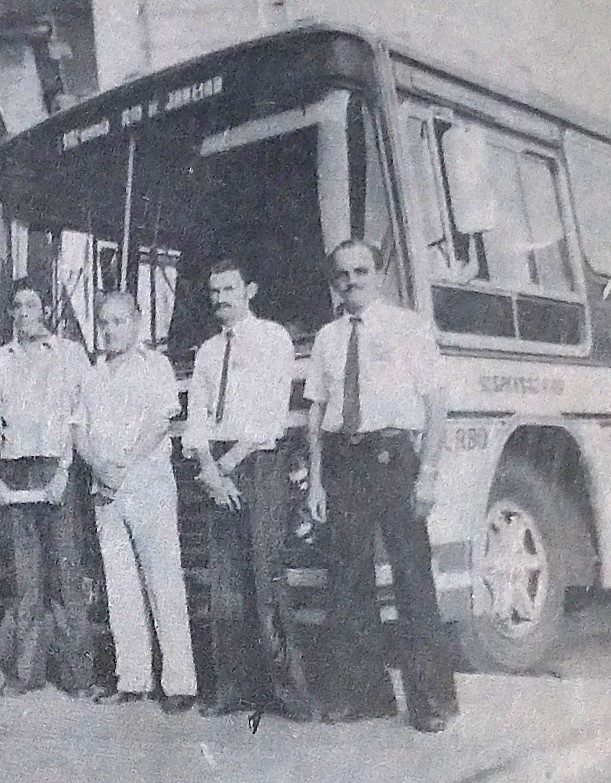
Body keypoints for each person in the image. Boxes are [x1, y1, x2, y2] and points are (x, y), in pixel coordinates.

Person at [305, 238, 458, 733]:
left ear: (378, 275)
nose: (352, 281)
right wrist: (316, 483)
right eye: (343, 274)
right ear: (334, 283)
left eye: (361, 270)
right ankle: (366, 697)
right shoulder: (328, 338)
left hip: (394, 460)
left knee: (412, 580)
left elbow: (437, 405)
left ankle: (431, 702)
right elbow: (316, 412)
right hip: (344, 463)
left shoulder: (409, 328)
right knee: (349, 583)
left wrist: (428, 473)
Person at [184, 258, 314, 721]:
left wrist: (228, 466)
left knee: (265, 579)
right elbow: (196, 416)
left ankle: (287, 692)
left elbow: (270, 412)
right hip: (217, 468)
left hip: (257, 464)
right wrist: (210, 471)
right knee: (224, 585)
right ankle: (230, 689)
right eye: (214, 292)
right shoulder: (205, 351)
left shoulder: (273, 339)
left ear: (249, 290)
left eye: (230, 290)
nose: (221, 299)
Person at [73, 291, 197, 714]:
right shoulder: (91, 376)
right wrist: (99, 467)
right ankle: (134, 678)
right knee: (120, 583)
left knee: (163, 580)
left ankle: (179, 683)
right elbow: (79, 433)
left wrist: (123, 465)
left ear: (137, 321)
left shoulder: (155, 366)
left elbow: (161, 421)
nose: (111, 330)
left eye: (120, 321)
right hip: (105, 491)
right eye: (104, 322)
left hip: (147, 485)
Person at [0, 280, 96, 698]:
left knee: (66, 574)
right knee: (25, 577)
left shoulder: (70, 355)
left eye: (32, 305)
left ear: (47, 309)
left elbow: (79, 416)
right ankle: (25, 673)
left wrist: (64, 472)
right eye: (17, 306)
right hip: (14, 471)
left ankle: (78, 677)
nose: (24, 313)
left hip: (57, 469)